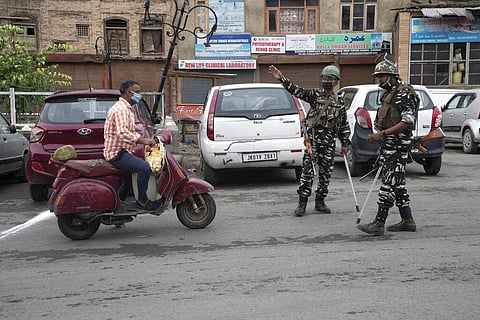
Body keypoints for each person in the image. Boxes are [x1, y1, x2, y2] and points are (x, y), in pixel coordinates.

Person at [269, 64, 350, 216]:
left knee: (326, 175)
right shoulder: (314, 95)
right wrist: (281, 78)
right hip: (312, 142)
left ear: (336, 81)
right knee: (307, 173)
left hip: (329, 144)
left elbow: (344, 124)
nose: (327, 81)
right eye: (325, 78)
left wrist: (345, 143)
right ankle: (302, 204)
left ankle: (320, 202)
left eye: (331, 79)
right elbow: (296, 90)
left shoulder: (339, 102)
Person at [357, 55, 418, 236]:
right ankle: (408, 220)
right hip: (389, 146)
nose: (380, 80)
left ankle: (379, 222)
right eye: (378, 77)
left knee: (387, 184)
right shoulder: (389, 94)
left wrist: (381, 134)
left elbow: (408, 121)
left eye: (382, 76)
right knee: (397, 184)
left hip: (398, 147)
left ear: (392, 76)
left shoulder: (404, 93)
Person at [104, 79, 162, 212]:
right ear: (128, 93)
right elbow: (123, 132)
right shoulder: (121, 110)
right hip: (117, 154)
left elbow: (129, 131)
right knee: (144, 168)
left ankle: (118, 203)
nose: (139, 95)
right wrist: (143, 140)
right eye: (137, 92)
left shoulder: (127, 108)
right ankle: (143, 201)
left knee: (129, 178)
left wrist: (145, 139)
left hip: (123, 151)